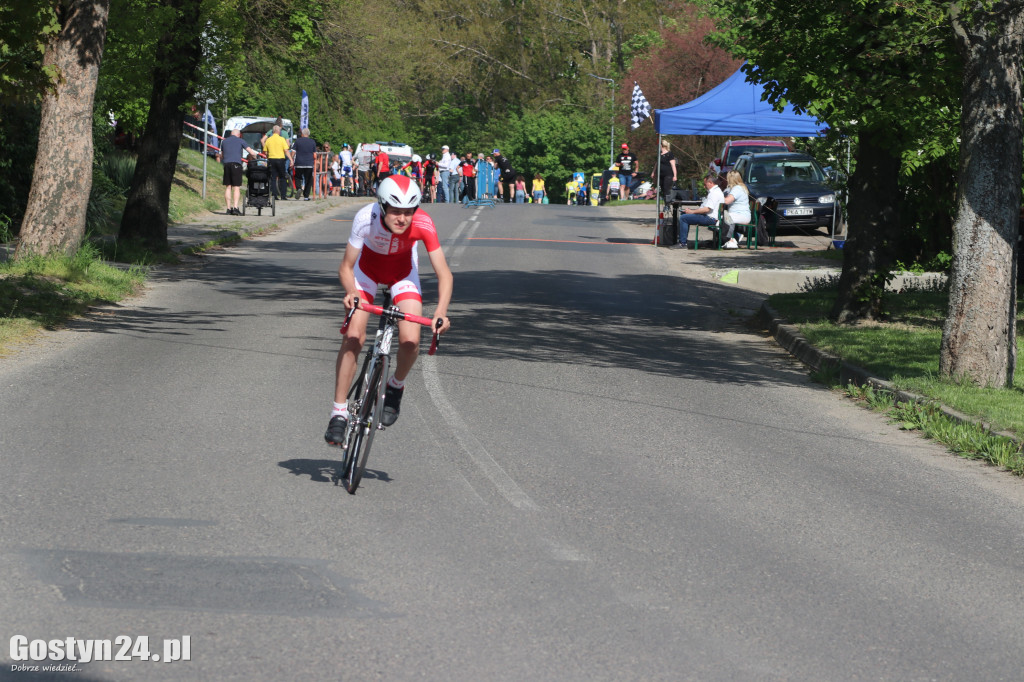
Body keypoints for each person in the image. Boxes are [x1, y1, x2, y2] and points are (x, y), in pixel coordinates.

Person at [324, 175, 453, 444]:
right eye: (395, 211)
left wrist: (441, 311)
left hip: (403, 274)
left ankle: (395, 386)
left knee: (410, 340)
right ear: (382, 206)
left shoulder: (423, 223)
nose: (402, 218)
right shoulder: (365, 218)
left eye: (408, 212)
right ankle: (339, 412)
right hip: (365, 274)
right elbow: (346, 268)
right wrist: (351, 292)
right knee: (353, 338)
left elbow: (445, 275)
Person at [675, 173, 725, 250]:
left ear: (710, 183)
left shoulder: (714, 193)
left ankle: (682, 243)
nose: (704, 186)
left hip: (710, 218)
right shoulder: (716, 191)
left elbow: (707, 209)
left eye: (705, 184)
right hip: (710, 216)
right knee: (684, 214)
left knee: (683, 218)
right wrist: (691, 211)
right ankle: (682, 239)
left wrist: (692, 211)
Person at [216, 127, 259, 216]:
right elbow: (251, 152)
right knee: (236, 187)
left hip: (227, 165)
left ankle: (228, 209)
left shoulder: (224, 141)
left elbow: (222, 155)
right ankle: (235, 208)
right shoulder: (240, 141)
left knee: (228, 187)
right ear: (238, 135)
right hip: (236, 165)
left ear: (231, 134)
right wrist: (255, 157)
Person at [720, 170, 752, 249]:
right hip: (741, 215)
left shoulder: (737, 188)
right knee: (722, 219)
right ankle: (735, 237)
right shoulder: (739, 187)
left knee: (727, 217)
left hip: (742, 215)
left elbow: (727, 201)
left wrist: (718, 197)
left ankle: (729, 240)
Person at [263, 124, 290, 201]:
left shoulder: (268, 140)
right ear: (278, 131)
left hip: (271, 160)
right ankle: (283, 195)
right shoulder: (282, 139)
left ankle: (274, 195)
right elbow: (286, 150)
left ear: (273, 131)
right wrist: (291, 159)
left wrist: (268, 156)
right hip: (280, 159)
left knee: (273, 178)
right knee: (282, 177)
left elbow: (265, 152)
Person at [290, 128, 317, 200]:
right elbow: (315, 155)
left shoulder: (298, 141)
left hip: (299, 163)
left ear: (302, 134)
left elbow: (293, 151)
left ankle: (299, 188)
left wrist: (291, 159)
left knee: (297, 177)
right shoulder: (312, 142)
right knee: (308, 179)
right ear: (308, 134)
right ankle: (306, 196)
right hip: (309, 163)